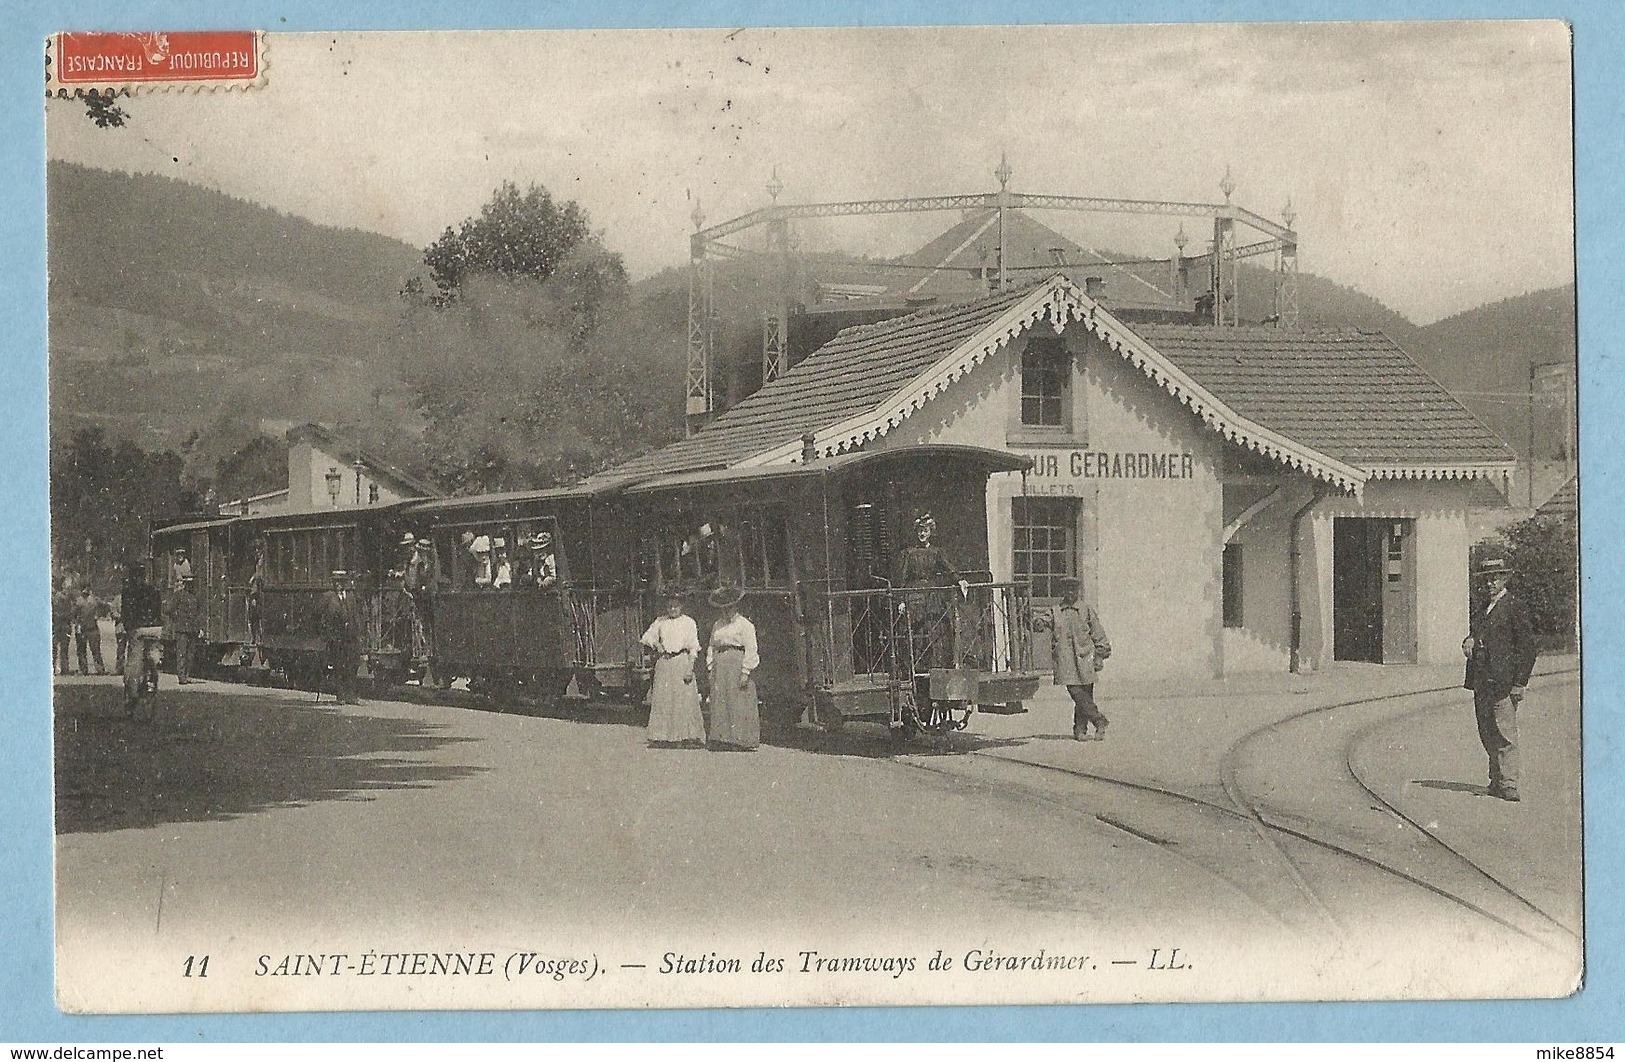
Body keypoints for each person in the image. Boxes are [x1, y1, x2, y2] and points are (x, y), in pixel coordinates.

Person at [1463, 557, 1537, 802]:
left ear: (1505, 579)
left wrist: (1520, 683)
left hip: (1503, 681)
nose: (1489, 583)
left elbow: (1527, 648)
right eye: (1485, 579)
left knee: (1505, 733)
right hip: (1482, 679)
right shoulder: (1484, 607)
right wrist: (1470, 640)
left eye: (1494, 578)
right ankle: (1495, 780)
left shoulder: (1514, 606)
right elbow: (1479, 634)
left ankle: (1509, 784)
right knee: (1487, 731)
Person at [1033, 576, 1112, 741]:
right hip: (1066, 659)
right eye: (1067, 590)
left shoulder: (1086, 610)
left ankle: (1080, 730)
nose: (1070, 593)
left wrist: (1100, 654)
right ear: (1063, 592)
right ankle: (1099, 720)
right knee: (1075, 691)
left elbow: (1098, 633)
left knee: (1085, 694)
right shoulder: (1055, 611)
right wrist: (1039, 622)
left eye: (1073, 590)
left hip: (1085, 658)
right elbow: (1042, 620)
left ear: (1078, 591)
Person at [893, 512, 970, 673]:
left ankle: (937, 668)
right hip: (914, 596)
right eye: (920, 530)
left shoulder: (936, 552)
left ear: (930, 532)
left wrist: (960, 580)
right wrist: (900, 600)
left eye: (925, 531)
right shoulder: (909, 553)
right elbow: (902, 577)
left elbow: (949, 569)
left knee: (936, 630)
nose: (922, 534)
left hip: (933, 597)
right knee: (916, 633)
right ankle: (917, 670)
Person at [640, 591, 705, 748]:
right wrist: (656, 644)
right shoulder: (660, 621)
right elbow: (647, 636)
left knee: (684, 700)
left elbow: (693, 647)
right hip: (665, 662)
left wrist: (690, 668)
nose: (672, 609)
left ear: (681, 606)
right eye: (669, 606)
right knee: (664, 699)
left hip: (681, 661)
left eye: (676, 605)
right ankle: (663, 736)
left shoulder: (688, 622)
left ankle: (688, 736)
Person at [706, 585, 760, 751]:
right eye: (723, 609)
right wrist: (710, 665)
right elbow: (712, 645)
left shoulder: (745, 625)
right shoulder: (718, 625)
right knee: (721, 700)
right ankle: (722, 738)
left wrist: (745, 672)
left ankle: (740, 739)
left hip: (736, 663)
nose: (726, 612)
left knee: (738, 700)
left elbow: (751, 648)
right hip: (720, 665)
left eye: (729, 608)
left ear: (735, 607)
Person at [119, 563, 164, 702]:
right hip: (155, 629)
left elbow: (126, 613)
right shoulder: (153, 591)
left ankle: (132, 693)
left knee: (134, 661)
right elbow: (158, 611)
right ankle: (152, 680)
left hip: (137, 630)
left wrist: (127, 628)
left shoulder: (128, 591)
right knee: (153, 657)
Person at [320, 569, 363, 704]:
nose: (338, 585)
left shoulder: (350, 597)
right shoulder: (328, 597)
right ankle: (341, 695)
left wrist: (358, 633)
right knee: (339, 667)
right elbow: (321, 616)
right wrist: (328, 634)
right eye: (336, 582)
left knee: (352, 666)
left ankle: (351, 694)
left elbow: (355, 616)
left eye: (340, 582)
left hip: (350, 638)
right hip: (337, 638)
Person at [166, 575, 201, 684]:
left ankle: (187, 675)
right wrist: (176, 619)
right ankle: (182, 677)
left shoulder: (195, 597)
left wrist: (199, 628)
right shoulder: (178, 595)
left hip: (192, 629)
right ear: (185, 585)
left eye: (192, 584)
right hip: (182, 629)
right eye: (188, 584)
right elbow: (168, 609)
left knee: (190, 654)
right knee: (182, 653)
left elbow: (198, 614)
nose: (190, 586)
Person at [74, 587, 107, 675]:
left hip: (90, 627)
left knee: (91, 650)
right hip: (86, 627)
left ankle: (89, 669)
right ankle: (90, 669)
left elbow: (105, 606)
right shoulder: (89, 600)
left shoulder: (83, 601)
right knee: (87, 650)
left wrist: (99, 614)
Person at [51, 575, 75, 675]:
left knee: (54, 648)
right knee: (64, 649)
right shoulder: (66, 598)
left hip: (56, 624)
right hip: (65, 624)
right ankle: (64, 669)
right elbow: (71, 611)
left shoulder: (52, 597)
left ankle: (52, 668)